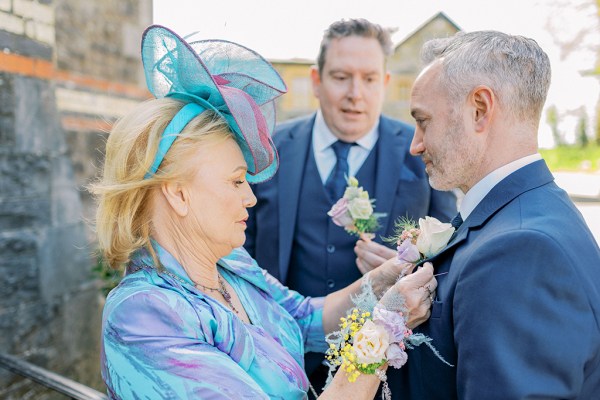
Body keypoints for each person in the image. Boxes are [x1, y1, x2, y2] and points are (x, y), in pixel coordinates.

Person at [93, 25, 438, 399]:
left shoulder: (232, 264)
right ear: (178, 194)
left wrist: (382, 281)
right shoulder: (143, 314)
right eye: (237, 181)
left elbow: (304, 318)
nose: (251, 199)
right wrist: (385, 327)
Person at [359, 30, 600, 399]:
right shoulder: (520, 217)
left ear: (480, 109)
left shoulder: (520, 249)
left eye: (424, 121)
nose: (415, 144)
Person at [245, 18, 457, 389]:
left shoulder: (423, 151)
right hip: (280, 363)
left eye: (369, 79)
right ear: (316, 81)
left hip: (388, 372)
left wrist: (411, 265)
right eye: (341, 77)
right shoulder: (271, 151)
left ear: (385, 84)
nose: (355, 94)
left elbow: (451, 253)